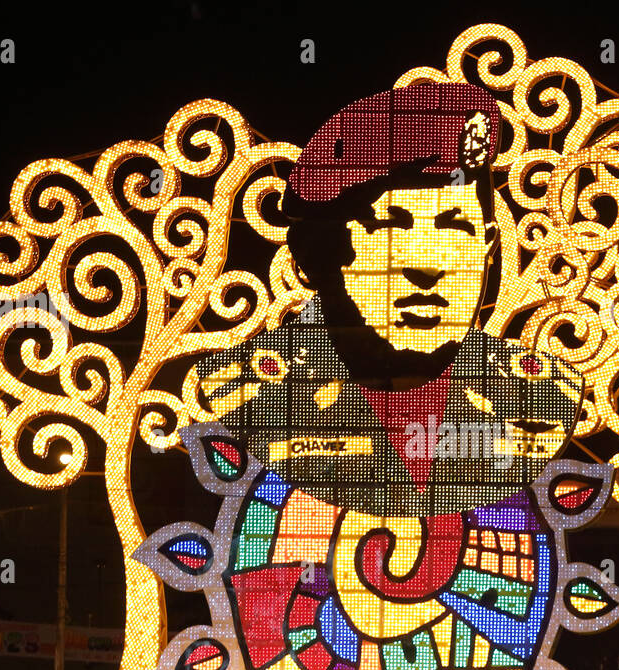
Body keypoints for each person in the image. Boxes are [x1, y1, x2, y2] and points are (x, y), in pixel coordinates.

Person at [196, 82, 584, 519]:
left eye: (454, 226)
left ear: (490, 246)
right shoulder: (246, 392)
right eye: (390, 227)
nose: (428, 265)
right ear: (325, 250)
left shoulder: (545, 394)